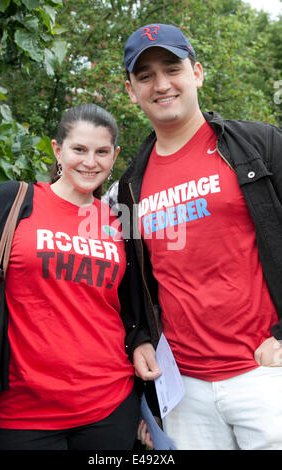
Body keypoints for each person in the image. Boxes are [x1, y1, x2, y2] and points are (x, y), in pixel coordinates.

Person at [117, 23, 282, 450]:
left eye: (172, 68)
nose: (162, 84)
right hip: (184, 388)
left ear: (198, 73)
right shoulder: (130, 186)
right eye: (146, 75)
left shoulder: (259, 146)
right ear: (131, 90)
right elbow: (134, 279)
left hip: (265, 374)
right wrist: (139, 338)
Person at [0, 102, 144, 451]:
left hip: (109, 406)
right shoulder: (14, 200)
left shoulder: (121, 220)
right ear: (58, 150)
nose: (90, 162)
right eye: (79, 149)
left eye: (102, 152)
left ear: (115, 156)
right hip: (21, 414)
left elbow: (139, 306)